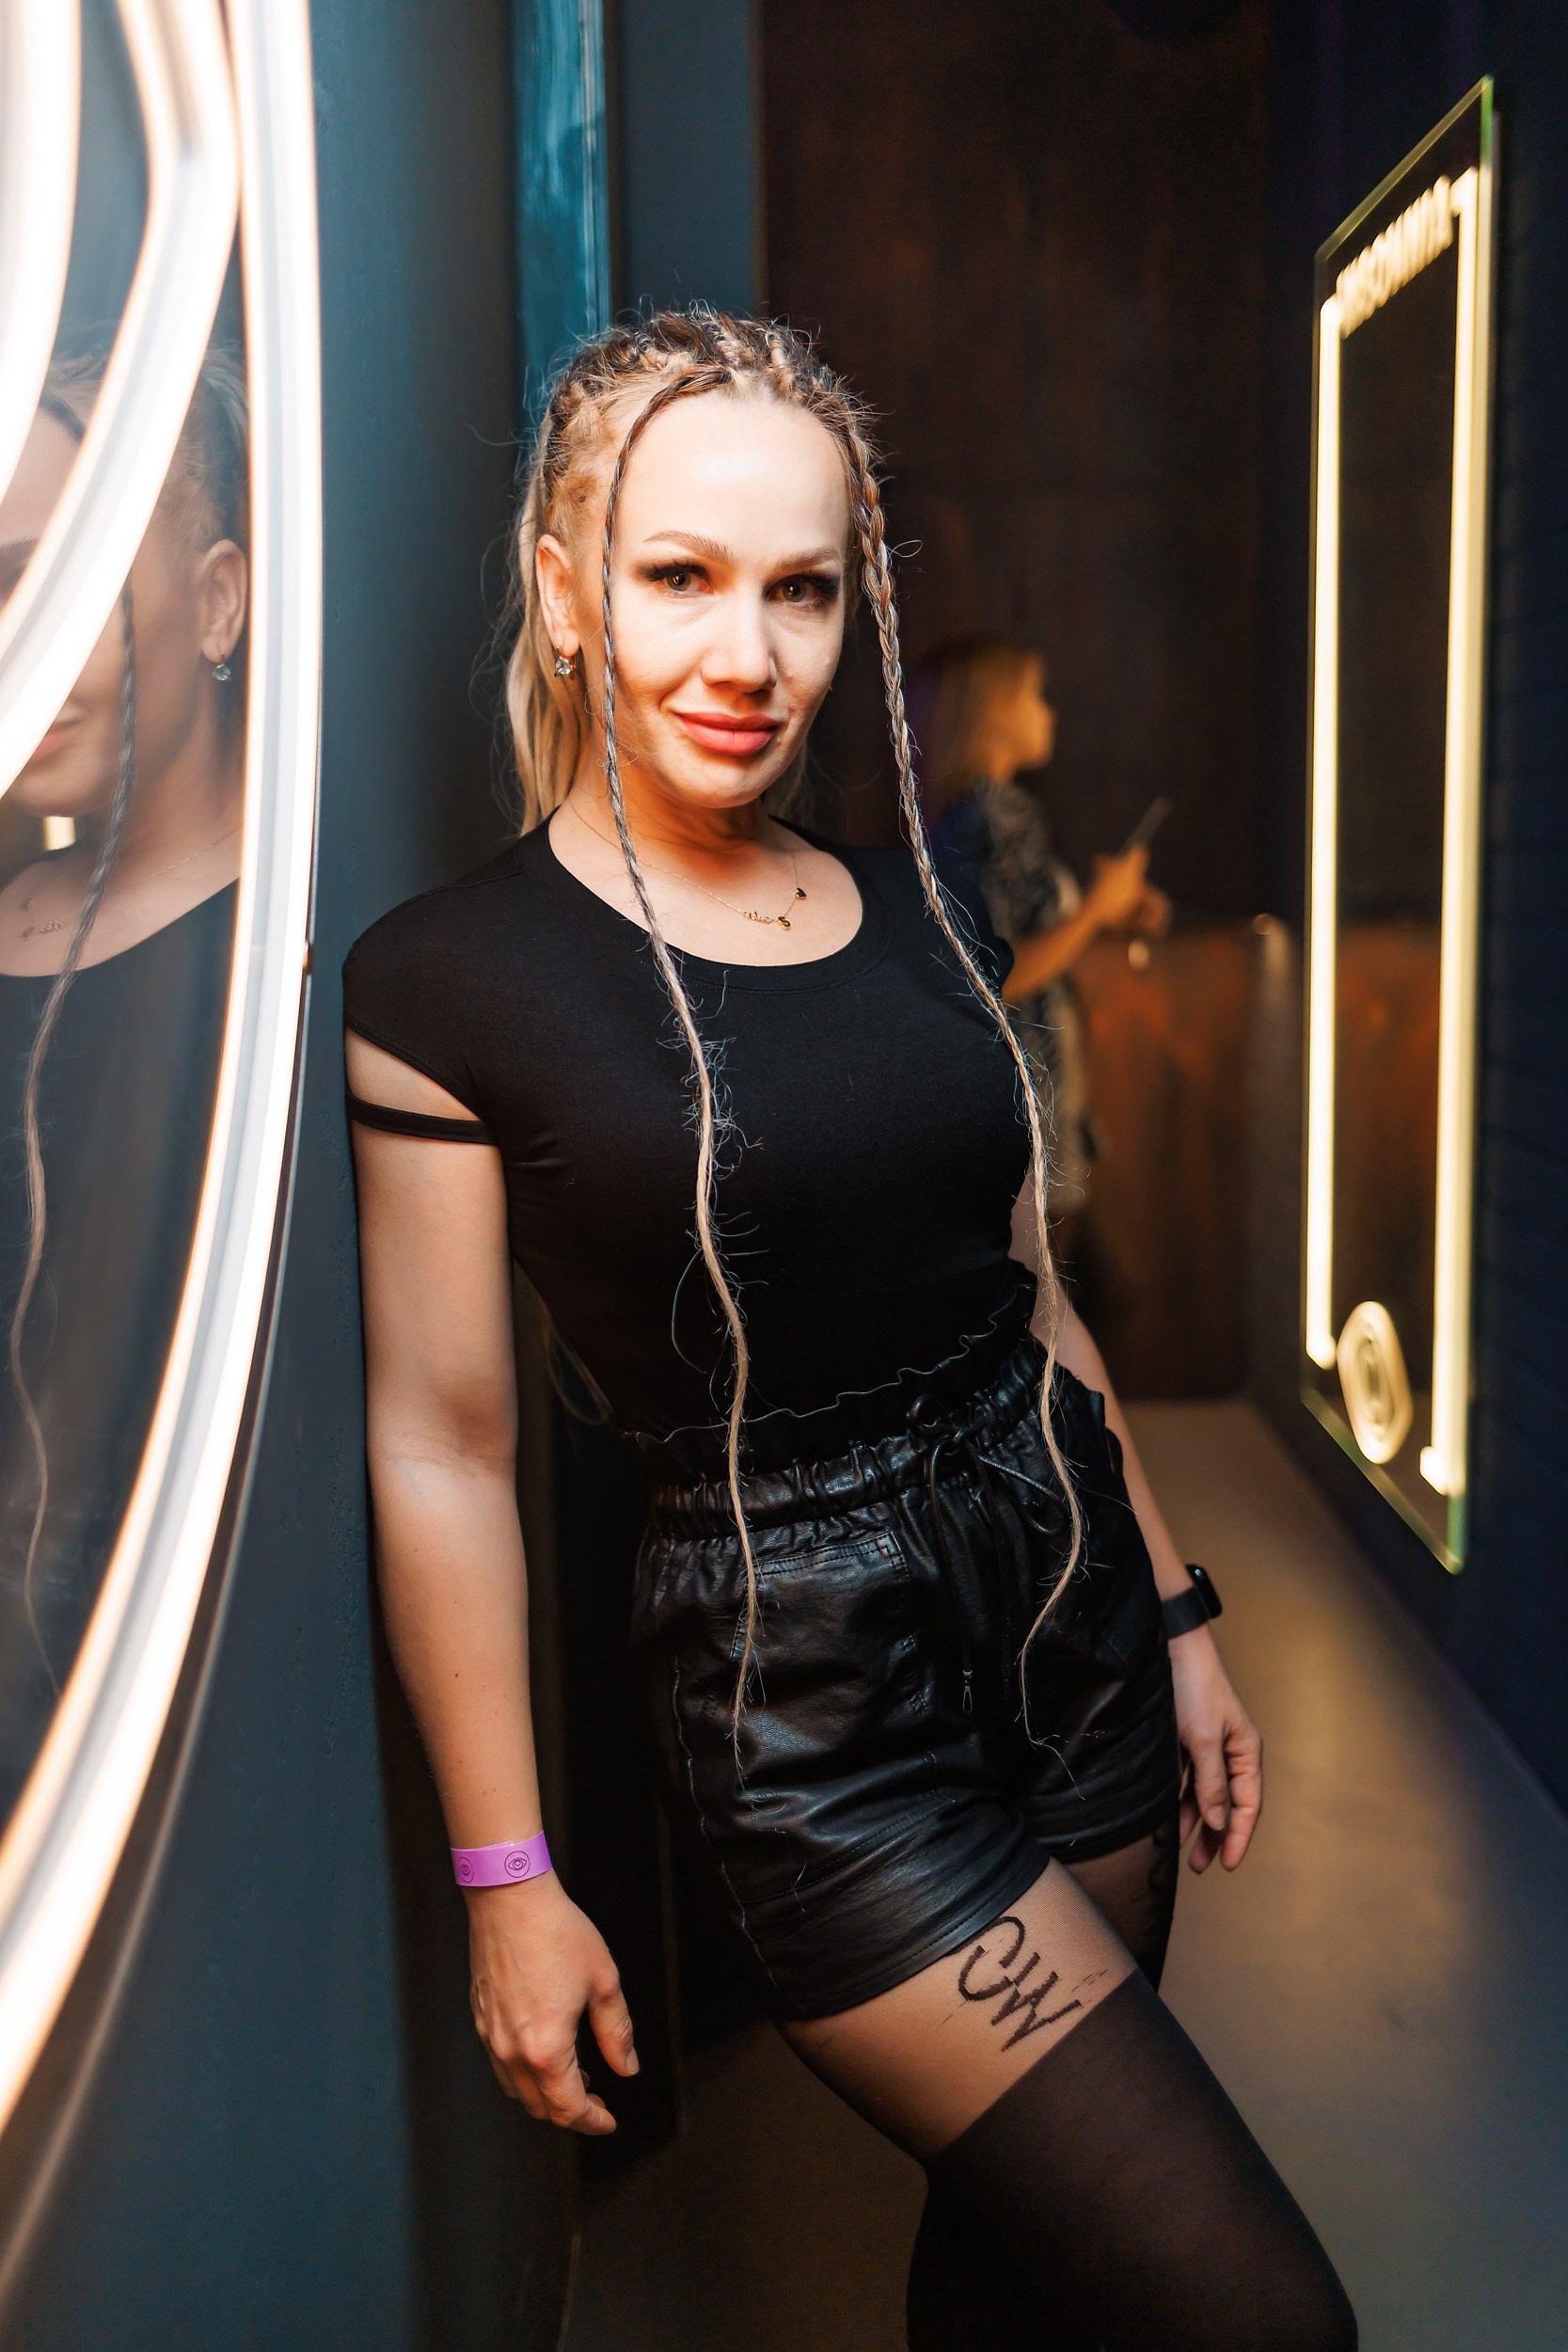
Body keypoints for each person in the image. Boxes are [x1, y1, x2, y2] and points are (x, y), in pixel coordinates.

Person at [343, 310, 1355, 2350]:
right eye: (678, 575)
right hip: (812, 1716)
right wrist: (505, 1874)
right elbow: (443, 1443)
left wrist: (1174, 1611)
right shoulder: (450, 982)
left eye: (799, 590)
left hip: (1066, 1614)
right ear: (565, 591)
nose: (748, 652)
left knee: (1022, 2254)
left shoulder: (925, 914)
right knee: (1259, 2317)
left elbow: (1029, 1300)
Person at [0, 350, 247, 1819]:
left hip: (219, 1720)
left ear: (217, 601)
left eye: (66, 579)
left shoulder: (310, 963)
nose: (18, 643)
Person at [918, 634, 1169, 1219]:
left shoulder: (975, 816)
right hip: (1023, 1121)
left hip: (1024, 1117)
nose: (1049, 713)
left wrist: (1109, 915)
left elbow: (1025, 941)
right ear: (996, 712)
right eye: (1036, 695)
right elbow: (994, 976)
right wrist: (1095, 909)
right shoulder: (994, 818)